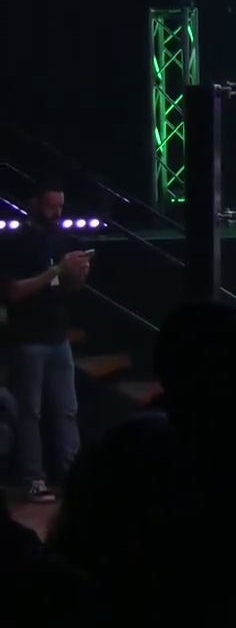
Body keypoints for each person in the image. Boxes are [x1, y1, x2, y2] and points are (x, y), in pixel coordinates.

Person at [2, 181, 88, 504]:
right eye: (52, 207)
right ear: (34, 204)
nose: (57, 213)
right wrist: (55, 270)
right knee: (29, 413)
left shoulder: (59, 239)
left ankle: (72, 474)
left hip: (58, 336)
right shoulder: (14, 242)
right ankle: (32, 478)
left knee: (67, 411)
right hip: (28, 339)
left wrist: (75, 276)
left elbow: (59, 288)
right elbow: (13, 292)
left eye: (61, 207)